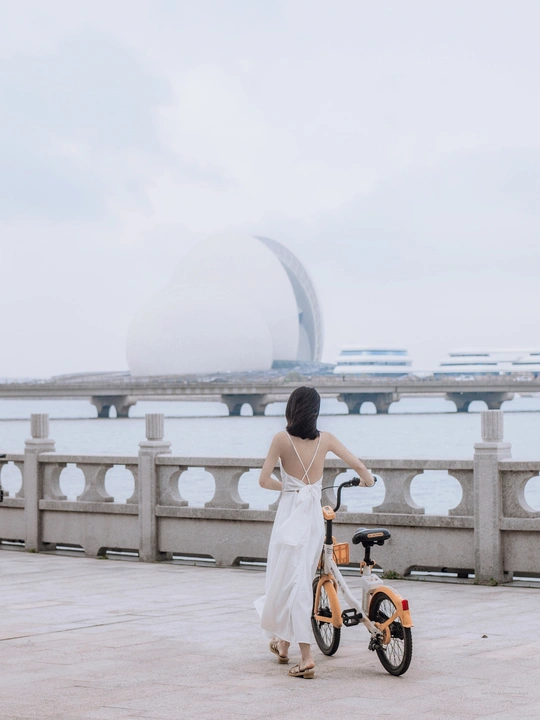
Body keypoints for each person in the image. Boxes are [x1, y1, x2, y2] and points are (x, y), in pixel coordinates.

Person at [254, 386, 375, 679]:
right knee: (300, 577)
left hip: (289, 514)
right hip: (312, 518)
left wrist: (289, 488)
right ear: (315, 411)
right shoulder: (326, 439)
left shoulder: (281, 439)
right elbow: (359, 466)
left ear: (292, 408)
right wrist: (368, 480)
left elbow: (263, 480)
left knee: (289, 580)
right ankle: (284, 646)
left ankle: (306, 657)